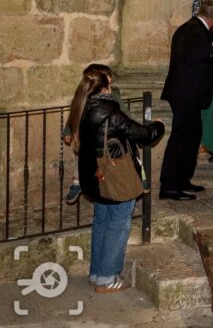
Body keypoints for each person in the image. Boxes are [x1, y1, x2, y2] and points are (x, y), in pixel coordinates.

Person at [69, 66, 165, 292]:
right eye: (110, 85)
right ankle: (107, 278)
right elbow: (145, 135)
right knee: (118, 225)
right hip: (114, 179)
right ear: (104, 88)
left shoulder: (80, 107)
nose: (112, 89)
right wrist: (158, 125)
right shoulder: (111, 113)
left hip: (94, 177)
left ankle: (97, 273)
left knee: (102, 222)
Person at [159, 0, 213, 201]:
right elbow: (193, 55)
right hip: (185, 95)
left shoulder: (192, 28)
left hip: (188, 95)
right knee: (180, 139)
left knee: (192, 137)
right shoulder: (194, 30)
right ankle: (169, 186)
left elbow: (202, 57)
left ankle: (183, 179)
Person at [63, 64, 119, 205]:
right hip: (86, 137)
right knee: (83, 158)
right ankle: (78, 182)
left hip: (105, 137)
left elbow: (122, 113)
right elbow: (74, 114)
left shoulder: (114, 94)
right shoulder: (82, 97)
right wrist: (68, 131)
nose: (110, 79)